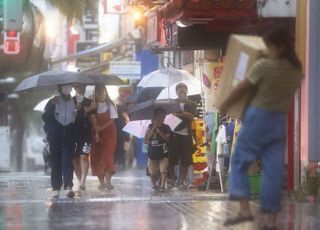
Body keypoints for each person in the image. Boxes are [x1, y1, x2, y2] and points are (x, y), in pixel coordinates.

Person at [220, 25, 303, 229]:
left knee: (239, 160)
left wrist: (224, 104)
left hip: (258, 117)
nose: (266, 51)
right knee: (272, 169)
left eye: (269, 47)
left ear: (280, 46)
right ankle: (271, 219)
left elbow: (242, 87)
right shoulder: (296, 69)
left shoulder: (265, 65)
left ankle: (245, 209)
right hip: (279, 121)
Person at [42, 84, 77, 198]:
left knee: (67, 161)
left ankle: (68, 187)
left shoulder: (75, 101)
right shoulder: (53, 101)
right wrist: (52, 104)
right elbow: (45, 117)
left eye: (69, 87)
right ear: (60, 88)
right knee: (56, 162)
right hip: (55, 136)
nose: (67, 89)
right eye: (65, 87)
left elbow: (78, 118)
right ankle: (56, 188)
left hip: (69, 136)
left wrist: (80, 109)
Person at [168, 82, 197, 191]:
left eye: (184, 91)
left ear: (187, 91)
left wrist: (180, 114)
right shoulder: (171, 103)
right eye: (180, 91)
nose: (182, 93)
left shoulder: (191, 104)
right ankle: (171, 179)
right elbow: (170, 117)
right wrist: (182, 115)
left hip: (186, 135)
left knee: (185, 160)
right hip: (173, 135)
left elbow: (191, 117)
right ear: (176, 92)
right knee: (171, 159)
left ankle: (181, 182)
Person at [89, 85, 118, 190]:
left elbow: (112, 120)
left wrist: (100, 129)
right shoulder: (93, 105)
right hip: (96, 135)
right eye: (98, 91)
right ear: (95, 93)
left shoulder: (111, 104)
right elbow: (91, 118)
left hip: (110, 134)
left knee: (107, 156)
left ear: (106, 92)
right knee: (96, 157)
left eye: (102, 91)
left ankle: (108, 182)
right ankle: (101, 182)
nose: (101, 94)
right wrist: (96, 131)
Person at [144, 108, 171, 192]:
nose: (162, 118)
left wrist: (159, 132)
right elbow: (146, 139)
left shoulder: (166, 127)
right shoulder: (150, 127)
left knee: (163, 170)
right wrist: (154, 128)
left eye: (163, 116)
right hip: (152, 153)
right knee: (152, 172)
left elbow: (167, 139)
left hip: (163, 152)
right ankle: (154, 185)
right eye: (159, 116)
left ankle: (162, 186)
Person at [72, 85, 93, 191]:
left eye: (83, 87)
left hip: (86, 133)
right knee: (75, 159)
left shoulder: (89, 102)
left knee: (84, 156)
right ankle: (80, 179)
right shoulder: (70, 101)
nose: (82, 89)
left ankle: (83, 180)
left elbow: (92, 117)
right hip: (73, 134)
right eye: (79, 87)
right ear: (75, 88)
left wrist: (96, 132)